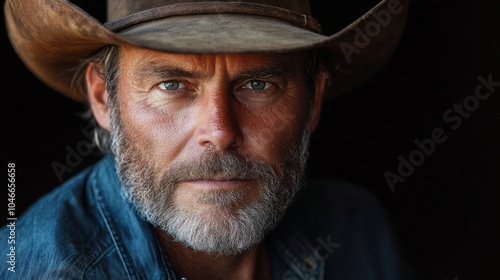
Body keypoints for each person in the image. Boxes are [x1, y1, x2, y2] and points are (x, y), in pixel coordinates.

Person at [2, 0, 414, 279]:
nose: (219, 132)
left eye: (258, 84)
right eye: (171, 84)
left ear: (314, 100)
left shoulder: (356, 230)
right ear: (103, 98)